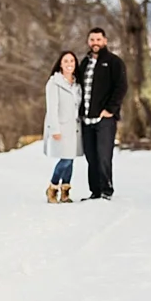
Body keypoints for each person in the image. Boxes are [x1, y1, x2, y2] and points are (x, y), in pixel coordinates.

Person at [78, 26, 127, 201]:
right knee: (91, 156)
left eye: (99, 39)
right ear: (88, 41)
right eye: (92, 40)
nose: (95, 43)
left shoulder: (114, 62)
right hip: (86, 118)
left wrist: (111, 110)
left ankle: (106, 190)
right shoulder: (84, 63)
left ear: (105, 41)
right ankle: (95, 191)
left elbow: (121, 87)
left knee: (104, 155)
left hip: (104, 118)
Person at [43, 50, 82, 203]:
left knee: (71, 160)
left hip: (75, 127)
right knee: (65, 160)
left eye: (72, 61)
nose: (69, 64)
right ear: (60, 64)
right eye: (66, 61)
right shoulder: (54, 82)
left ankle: (65, 191)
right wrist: (55, 129)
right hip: (61, 127)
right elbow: (52, 107)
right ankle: (52, 188)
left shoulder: (77, 84)